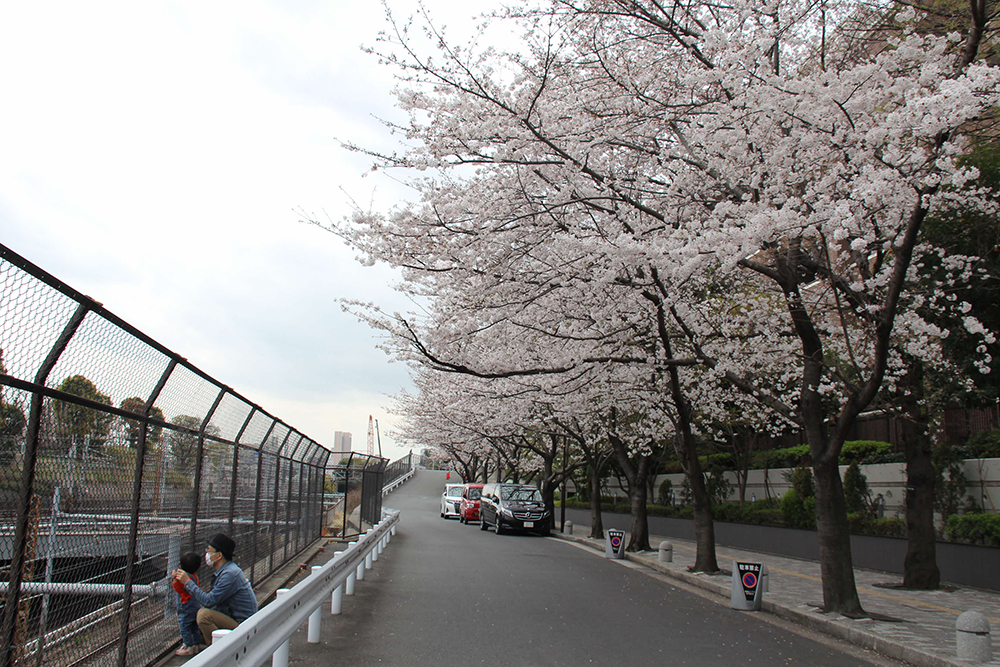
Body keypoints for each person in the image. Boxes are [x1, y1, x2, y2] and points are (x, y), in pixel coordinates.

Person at [173, 533, 258, 645]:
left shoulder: (229, 574)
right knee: (196, 628)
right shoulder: (226, 571)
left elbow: (209, 601)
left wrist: (187, 582)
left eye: (209, 551)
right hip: (236, 619)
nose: (207, 554)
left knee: (203, 616)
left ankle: (217, 649)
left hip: (243, 625)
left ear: (219, 556)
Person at [172, 553, 202, 656]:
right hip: (195, 605)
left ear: (180, 567)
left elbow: (179, 589)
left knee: (184, 626)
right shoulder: (194, 577)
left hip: (185, 605)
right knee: (194, 626)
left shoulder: (183, 578)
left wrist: (175, 579)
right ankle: (196, 645)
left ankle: (188, 646)